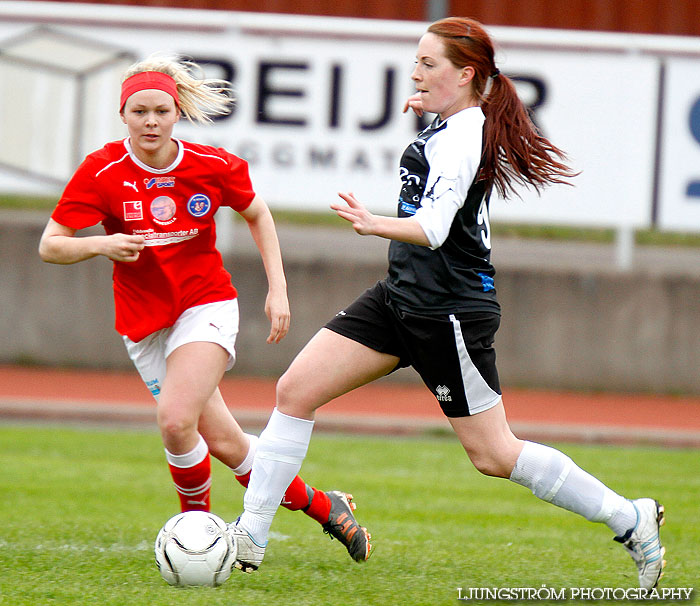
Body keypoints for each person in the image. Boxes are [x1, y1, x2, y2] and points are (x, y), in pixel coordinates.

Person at [232, 17, 666, 590]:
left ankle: (630, 518)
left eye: (429, 63)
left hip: (450, 311)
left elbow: (435, 228)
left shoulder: (465, 136)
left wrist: (372, 223)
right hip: (401, 297)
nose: (415, 72)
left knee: (493, 454)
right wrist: (428, 109)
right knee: (294, 391)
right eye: (415, 60)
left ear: (465, 74)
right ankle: (251, 535)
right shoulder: (450, 122)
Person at [38, 55, 371, 570]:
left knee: (175, 422)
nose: (151, 122)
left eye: (162, 111)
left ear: (177, 114)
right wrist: (102, 245)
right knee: (227, 443)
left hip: (205, 305)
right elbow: (51, 246)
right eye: (140, 111)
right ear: (122, 114)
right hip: (144, 325)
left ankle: (195, 542)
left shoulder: (210, 164)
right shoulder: (102, 171)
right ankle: (326, 505)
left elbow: (257, 214)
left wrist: (277, 290)